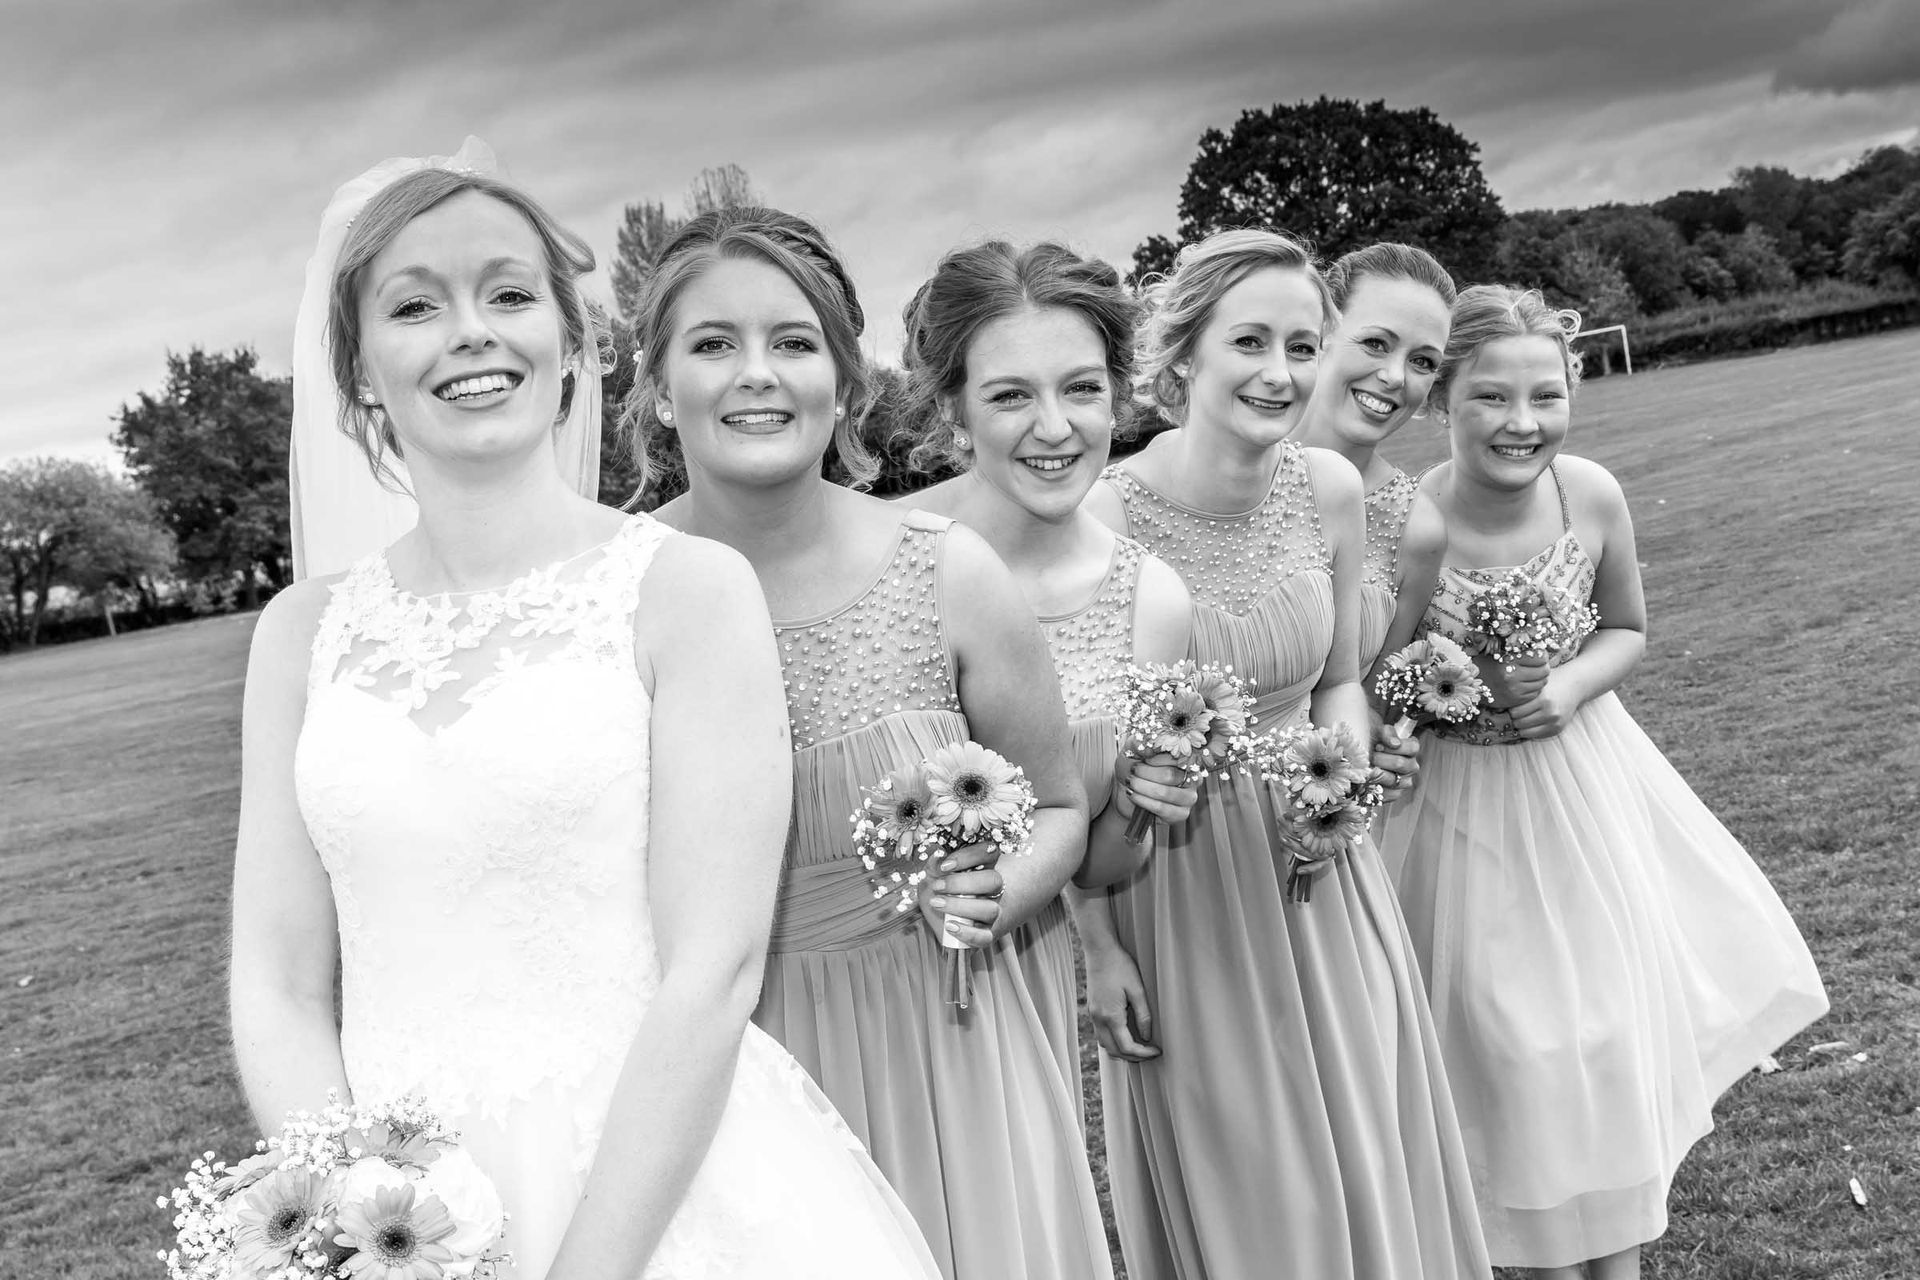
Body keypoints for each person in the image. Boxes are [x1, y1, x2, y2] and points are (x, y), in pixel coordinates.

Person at [231, 153, 940, 1280]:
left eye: (509, 295)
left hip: (657, 1189)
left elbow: (715, 966)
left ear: (573, 347)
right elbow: (274, 980)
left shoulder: (688, 591)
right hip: (402, 1205)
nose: (471, 332)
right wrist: (360, 1213)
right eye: (416, 305)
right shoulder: (297, 632)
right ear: (361, 374)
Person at [631, 207, 1114, 1280]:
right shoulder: (612, 600)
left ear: (847, 383)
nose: (757, 373)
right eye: (714, 344)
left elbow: (1063, 806)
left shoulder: (950, 572)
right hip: (729, 1083)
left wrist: (995, 889)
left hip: (948, 1050)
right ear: (660, 388)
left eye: (795, 342)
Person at [1377, 285, 1829, 1279]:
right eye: (1491, 397)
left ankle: (1617, 1263)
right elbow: (1373, 672)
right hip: (1462, 822)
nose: (1522, 422)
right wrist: (1426, 699)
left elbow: (1626, 626)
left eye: (1546, 394)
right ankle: (1532, 1260)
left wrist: (1572, 683)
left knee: (1608, 1036)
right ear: (1440, 401)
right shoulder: (1408, 525)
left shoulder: (1591, 492)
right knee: (1511, 1049)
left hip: (1584, 800)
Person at [1083, 228, 1490, 1280]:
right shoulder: (1105, 516)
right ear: (1183, 357)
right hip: (1181, 892)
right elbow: (1069, 757)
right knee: (1255, 1187)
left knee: (1365, 1149)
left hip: (1325, 871)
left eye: (1302, 345)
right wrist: (1096, 940)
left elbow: (1341, 676)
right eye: (1250, 341)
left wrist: (1341, 767)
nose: (1280, 372)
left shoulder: (1331, 491)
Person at [895, 240, 1201, 1094]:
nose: (1056, 427)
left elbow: (1096, 860)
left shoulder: (1155, 601)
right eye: (1009, 396)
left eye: (1081, 389)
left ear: (1118, 398)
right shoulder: (887, 556)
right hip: (863, 989)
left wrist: (1140, 813)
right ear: (954, 413)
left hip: (1014, 1006)